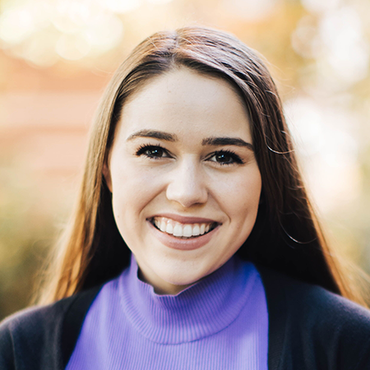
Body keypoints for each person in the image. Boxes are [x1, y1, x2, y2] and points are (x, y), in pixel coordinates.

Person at [1, 26, 370, 370]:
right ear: (106, 167)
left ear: (266, 180)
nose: (186, 193)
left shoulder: (347, 346)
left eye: (224, 156)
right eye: (154, 151)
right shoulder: (20, 351)